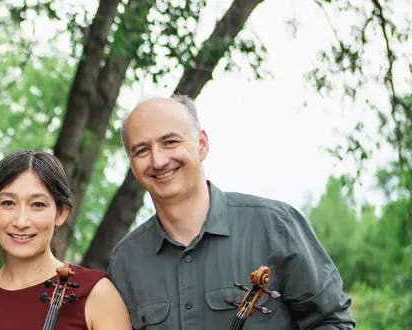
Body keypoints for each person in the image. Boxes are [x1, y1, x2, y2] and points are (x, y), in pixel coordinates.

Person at [107, 95, 356, 329]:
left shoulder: (276, 226)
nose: (158, 161)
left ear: (202, 145)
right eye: (142, 150)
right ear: (132, 165)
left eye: (170, 142)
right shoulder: (125, 261)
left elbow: (333, 322)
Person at [0, 150, 132, 330]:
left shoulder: (96, 293)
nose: (21, 222)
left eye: (38, 205)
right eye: (8, 203)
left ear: (61, 214)